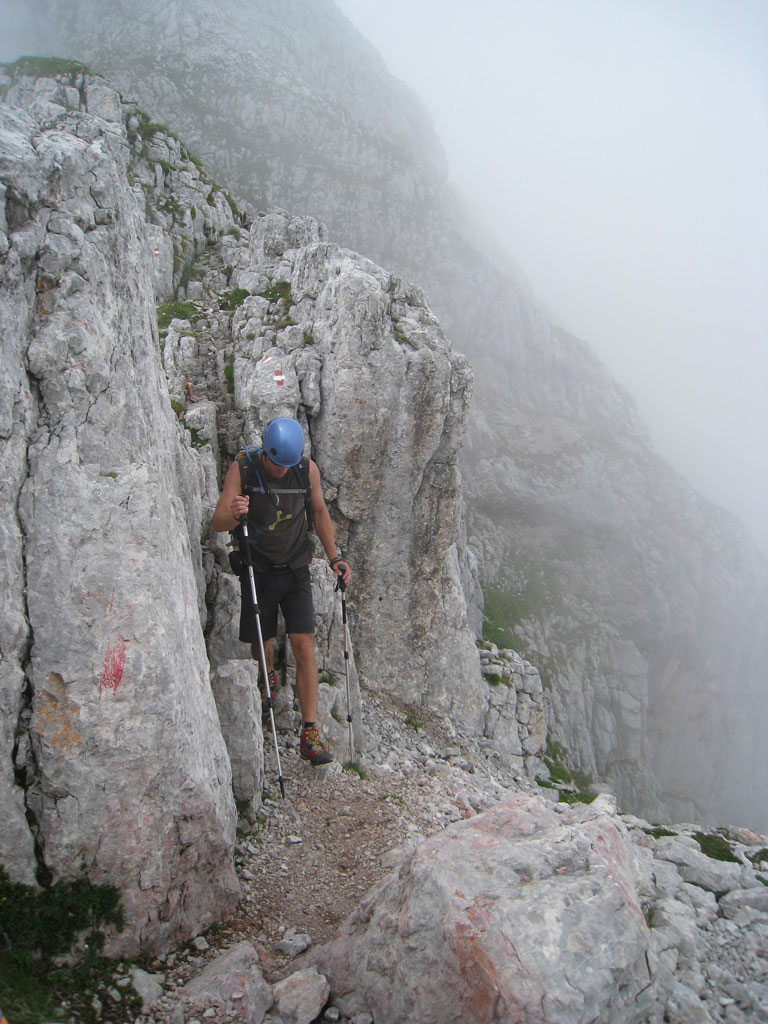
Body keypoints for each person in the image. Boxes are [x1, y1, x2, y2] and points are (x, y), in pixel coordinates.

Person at [211, 417, 351, 765]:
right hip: (256, 570)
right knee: (263, 642)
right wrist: (233, 513)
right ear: (265, 451)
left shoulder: (305, 471)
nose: (279, 470)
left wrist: (335, 557)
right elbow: (218, 522)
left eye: (286, 464)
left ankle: (309, 731)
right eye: (275, 462)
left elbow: (318, 511)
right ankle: (268, 674)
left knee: (304, 645)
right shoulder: (243, 467)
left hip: (295, 569)